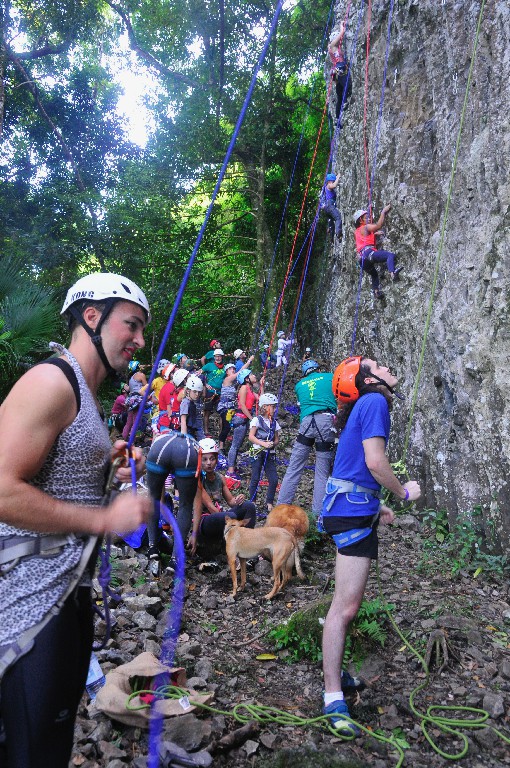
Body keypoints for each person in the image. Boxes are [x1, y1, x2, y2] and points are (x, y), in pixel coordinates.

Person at [0, 273, 151, 767]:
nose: (139, 340)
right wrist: (103, 519)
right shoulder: (52, 382)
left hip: (64, 595)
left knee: (46, 745)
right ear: (92, 317)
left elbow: (56, 475)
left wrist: (109, 466)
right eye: (131, 324)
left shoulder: (85, 393)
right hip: (29, 606)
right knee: (33, 752)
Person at [320, 355, 421, 734]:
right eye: (377, 366)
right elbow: (375, 462)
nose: (387, 367)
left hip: (350, 508)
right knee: (344, 609)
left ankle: (336, 678)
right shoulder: (375, 401)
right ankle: (333, 695)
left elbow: (351, 465)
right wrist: (403, 493)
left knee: (345, 606)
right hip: (350, 513)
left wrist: (376, 505)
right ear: (366, 380)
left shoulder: (365, 405)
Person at [277, 360, 336, 518]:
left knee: (294, 467)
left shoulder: (299, 385)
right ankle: (318, 514)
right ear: (318, 369)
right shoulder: (329, 377)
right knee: (322, 471)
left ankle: (280, 508)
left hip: (307, 422)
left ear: (304, 374)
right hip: (325, 421)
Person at [145, 432, 202, 576]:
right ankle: (175, 559)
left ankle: (152, 548)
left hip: (158, 449)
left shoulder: (161, 438)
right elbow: (195, 501)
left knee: (152, 498)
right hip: (186, 454)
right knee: (185, 505)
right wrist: (194, 533)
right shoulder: (193, 446)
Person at [193, 438, 256, 552]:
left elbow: (231, 501)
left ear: (216, 459)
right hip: (204, 521)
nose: (208, 463)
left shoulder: (220, 478)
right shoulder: (198, 480)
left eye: (212, 459)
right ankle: (231, 545)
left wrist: (238, 499)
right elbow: (210, 507)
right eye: (204, 459)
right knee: (231, 516)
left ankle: (247, 544)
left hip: (220, 515)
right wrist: (229, 518)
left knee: (249, 506)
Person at [353, 205, 402, 300]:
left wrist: (374, 234)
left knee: (374, 274)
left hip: (362, 260)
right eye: (366, 218)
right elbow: (378, 225)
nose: (369, 219)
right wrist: (383, 212)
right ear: (361, 220)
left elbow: (364, 238)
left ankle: (376, 292)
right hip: (368, 253)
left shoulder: (357, 231)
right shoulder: (365, 227)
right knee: (390, 255)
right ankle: (393, 273)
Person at [227, 369, 263, 480]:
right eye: (251, 374)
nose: (254, 375)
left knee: (238, 445)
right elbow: (242, 405)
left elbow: (261, 399)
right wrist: (252, 419)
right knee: (235, 445)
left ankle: (233, 467)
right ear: (246, 379)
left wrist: (261, 385)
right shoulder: (243, 388)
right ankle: (230, 471)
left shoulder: (250, 389)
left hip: (245, 419)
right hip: (241, 418)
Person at [248, 393, 281, 513]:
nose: (274, 409)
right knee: (255, 477)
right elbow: (251, 436)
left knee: (274, 479)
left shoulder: (274, 423)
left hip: (269, 453)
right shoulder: (257, 420)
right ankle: (252, 502)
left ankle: (269, 503)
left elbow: (276, 439)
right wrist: (263, 443)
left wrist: (273, 443)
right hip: (258, 452)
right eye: (272, 407)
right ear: (265, 407)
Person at [328, 23, 352, 122]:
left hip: (336, 71)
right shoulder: (332, 45)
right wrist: (342, 25)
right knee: (347, 84)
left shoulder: (333, 48)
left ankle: (337, 118)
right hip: (340, 67)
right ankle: (345, 102)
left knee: (339, 93)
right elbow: (342, 33)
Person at [202, 348, 227, 436]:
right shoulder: (209, 366)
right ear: (214, 357)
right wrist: (205, 384)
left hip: (220, 392)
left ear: (222, 357)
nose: (218, 358)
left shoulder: (225, 367)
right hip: (210, 391)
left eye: (219, 356)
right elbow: (199, 374)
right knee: (207, 411)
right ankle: (206, 431)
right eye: (216, 356)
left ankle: (221, 432)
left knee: (222, 413)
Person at [180, 374, 206, 442]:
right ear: (188, 391)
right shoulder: (186, 403)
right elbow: (183, 420)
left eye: (199, 392)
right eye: (194, 391)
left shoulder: (193, 402)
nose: (197, 394)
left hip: (195, 431)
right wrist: (184, 439)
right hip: (189, 433)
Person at [320, 173, 343, 240]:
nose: (333, 182)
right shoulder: (329, 185)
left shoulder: (325, 187)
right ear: (330, 181)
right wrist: (338, 177)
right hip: (330, 206)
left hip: (326, 208)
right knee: (338, 217)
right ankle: (339, 234)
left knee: (331, 221)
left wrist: (336, 177)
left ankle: (331, 235)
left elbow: (335, 184)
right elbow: (334, 185)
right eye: (333, 181)